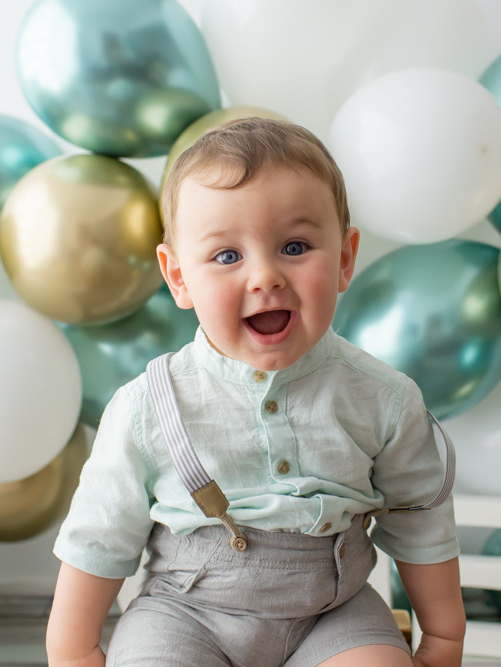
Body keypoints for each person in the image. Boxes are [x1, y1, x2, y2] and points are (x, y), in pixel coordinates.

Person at [46, 117, 464, 667]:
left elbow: (419, 520)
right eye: (226, 256)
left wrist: (442, 638)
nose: (265, 276)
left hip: (332, 613)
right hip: (186, 617)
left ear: (343, 259)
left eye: (295, 245)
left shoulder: (382, 398)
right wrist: (74, 653)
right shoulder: (149, 405)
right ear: (178, 279)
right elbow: (98, 539)